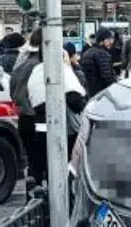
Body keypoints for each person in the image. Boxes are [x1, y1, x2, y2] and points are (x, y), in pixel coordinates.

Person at [26, 30, 87, 162]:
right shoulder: (61, 69)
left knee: (45, 160)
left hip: (39, 123)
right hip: (63, 128)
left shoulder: (35, 70)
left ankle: (37, 179)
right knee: (63, 161)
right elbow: (75, 100)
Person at [9, 29, 45, 188]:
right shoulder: (43, 66)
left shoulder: (20, 64)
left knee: (32, 162)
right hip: (40, 119)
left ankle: (31, 201)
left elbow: (12, 92)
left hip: (24, 118)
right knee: (44, 162)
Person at [80, 28, 118, 97]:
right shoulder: (102, 54)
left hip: (90, 93)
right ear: (103, 40)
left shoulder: (87, 52)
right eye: (109, 39)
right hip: (102, 94)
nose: (111, 42)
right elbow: (108, 78)